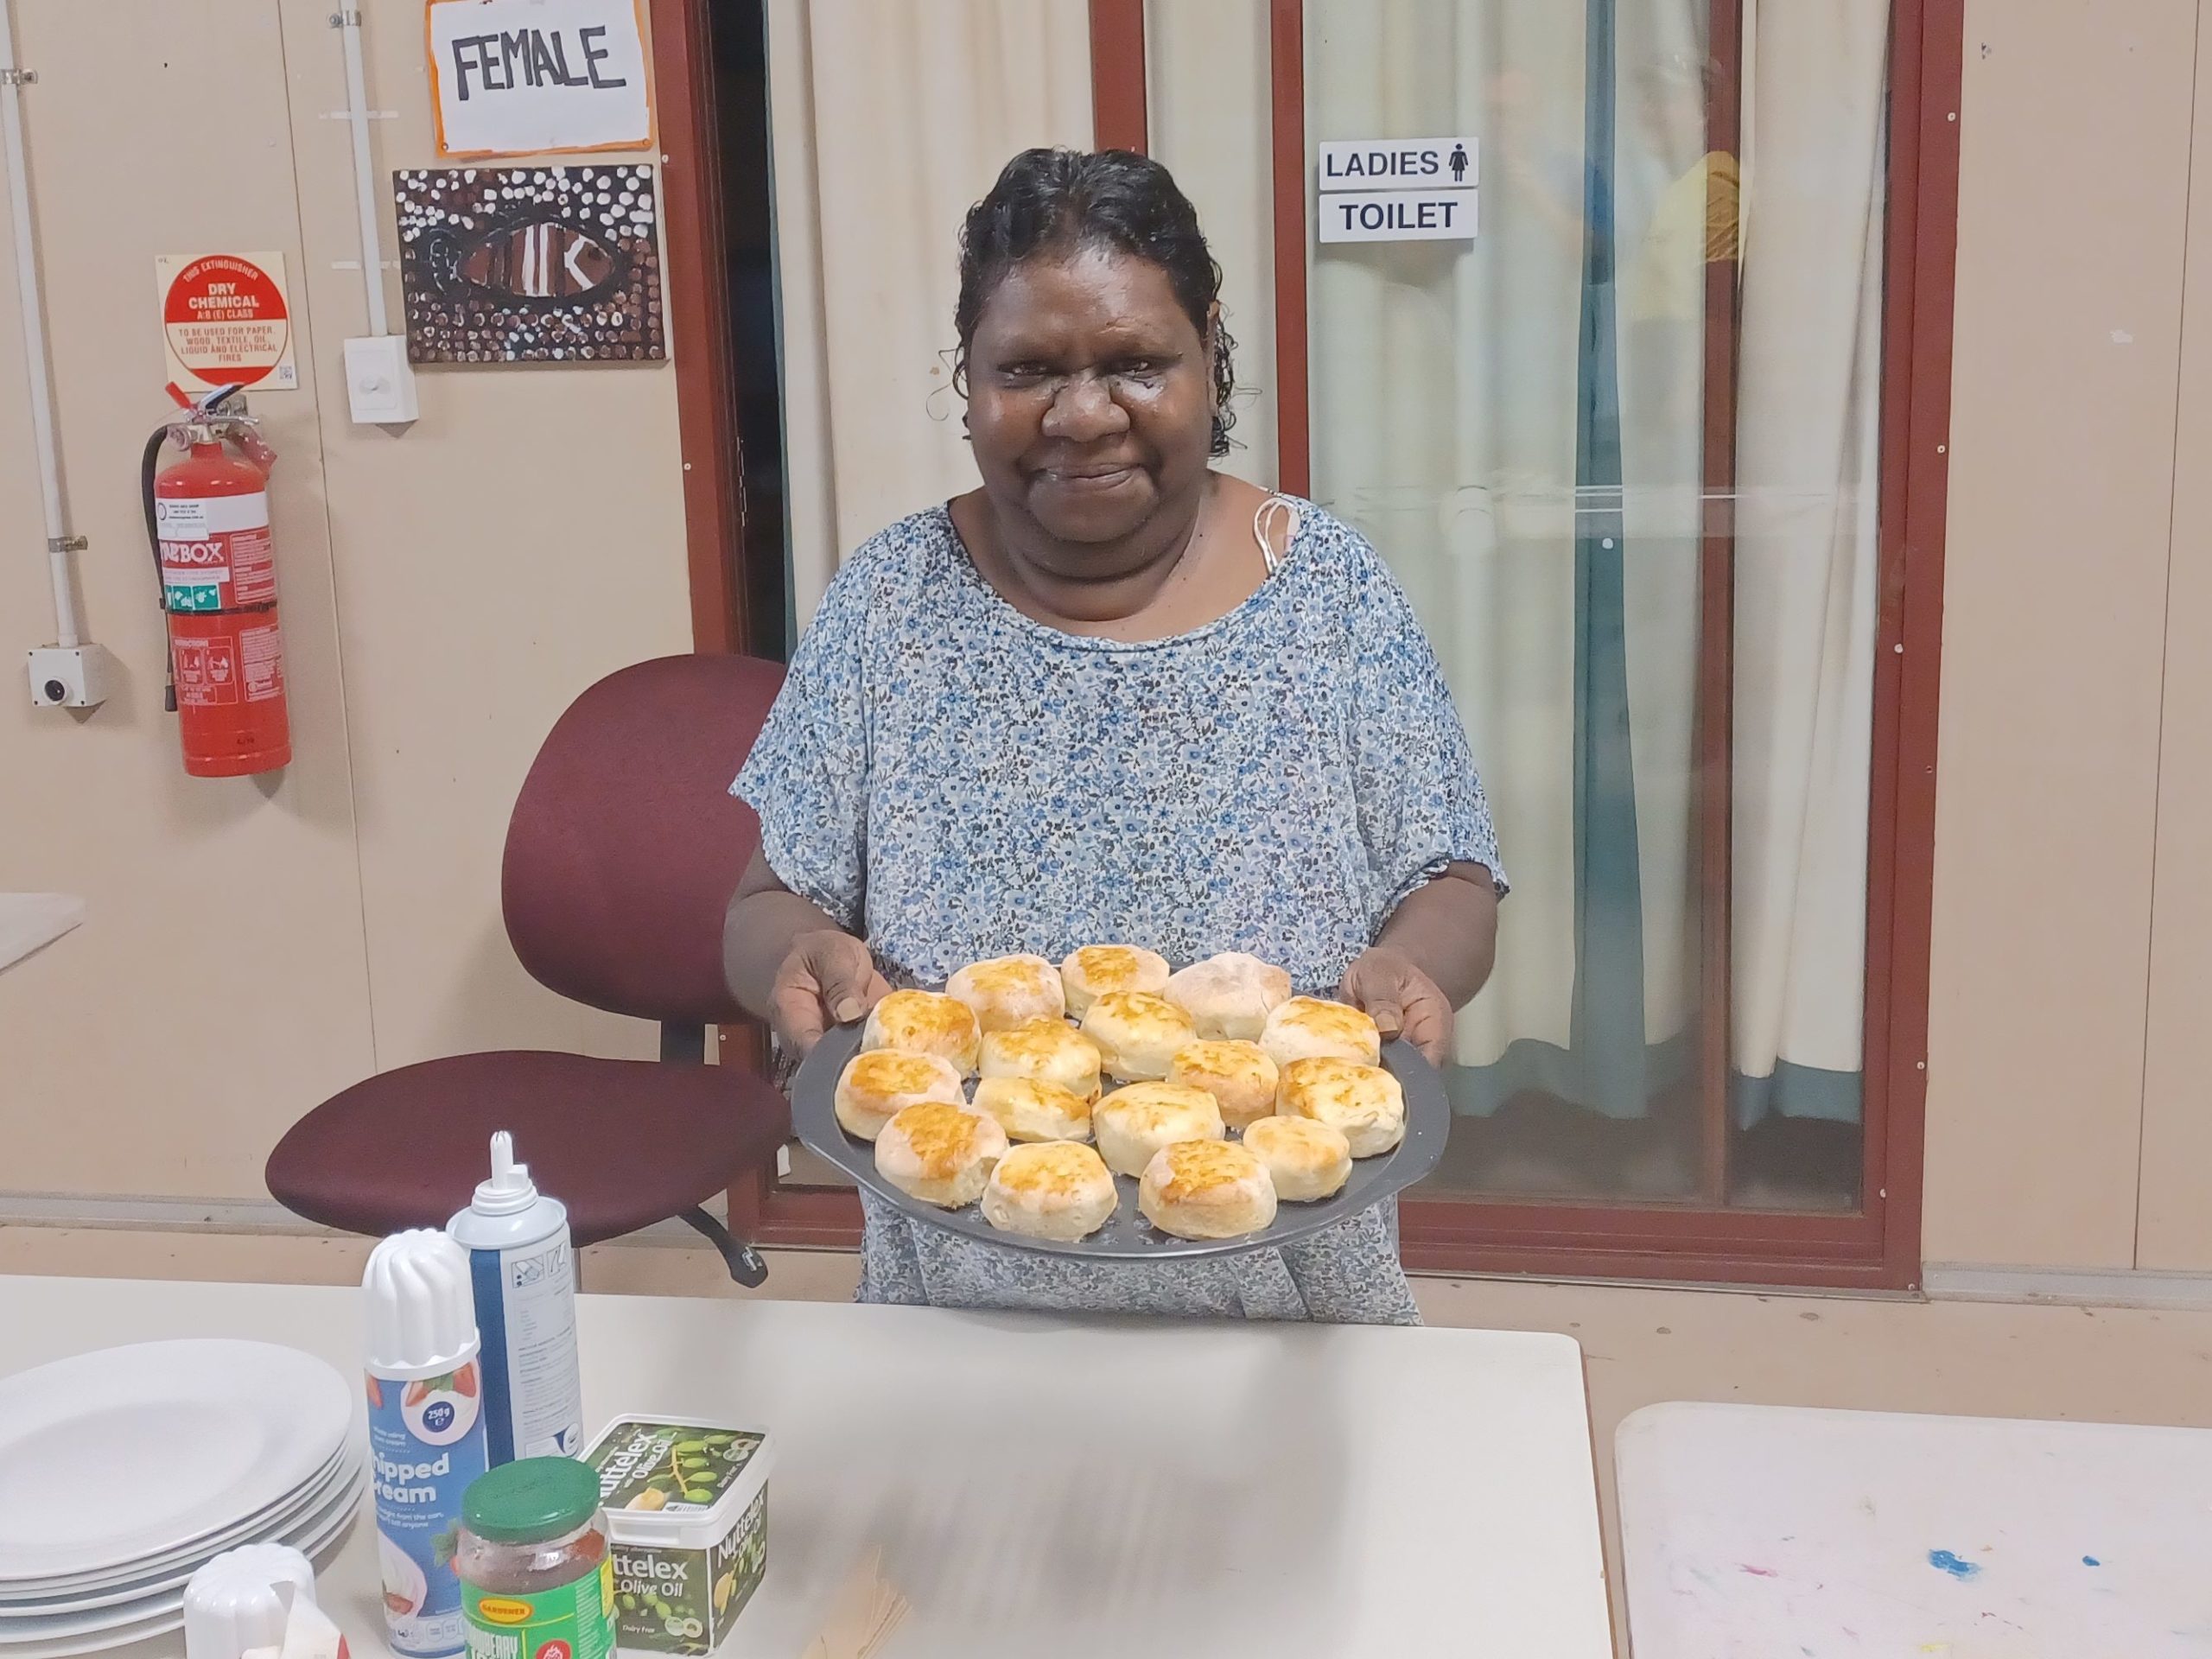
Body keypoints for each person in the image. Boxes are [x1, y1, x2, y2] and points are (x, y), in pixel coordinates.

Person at [724, 148, 1503, 1324]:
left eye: (1137, 363)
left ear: (1210, 353)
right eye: (1029, 368)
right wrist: (793, 956)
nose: (1083, 416)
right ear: (969, 378)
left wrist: (1416, 967)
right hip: (957, 1294)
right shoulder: (892, 600)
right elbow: (766, 898)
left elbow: (1450, 871)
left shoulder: (1330, 591)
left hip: (1291, 1309)